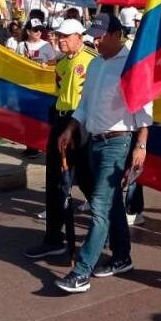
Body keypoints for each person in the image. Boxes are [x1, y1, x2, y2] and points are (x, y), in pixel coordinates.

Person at [54, 14, 152, 294]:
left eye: (100, 35)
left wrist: (141, 146)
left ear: (117, 34)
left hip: (118, 142)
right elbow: (84, 104)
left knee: (98, 207)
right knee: (111, 206)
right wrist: (70, 128)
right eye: (92, 35)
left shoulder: (132, 65)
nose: (94, 40)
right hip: (95, 141)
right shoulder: (95, 64)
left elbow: (145, 110)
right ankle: (122, 257)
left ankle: (81, 272)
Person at [25, 18, 97, 260]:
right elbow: (59, 90)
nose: (61, 40)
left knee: (88, 181)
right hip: (61, 120)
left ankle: (101, 233)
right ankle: (54, 238)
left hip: (83, 125)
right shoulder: (62, 64)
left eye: (66, 36)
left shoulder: (92, 61)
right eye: (59, 35)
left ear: (80, 36)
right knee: (56, 181)